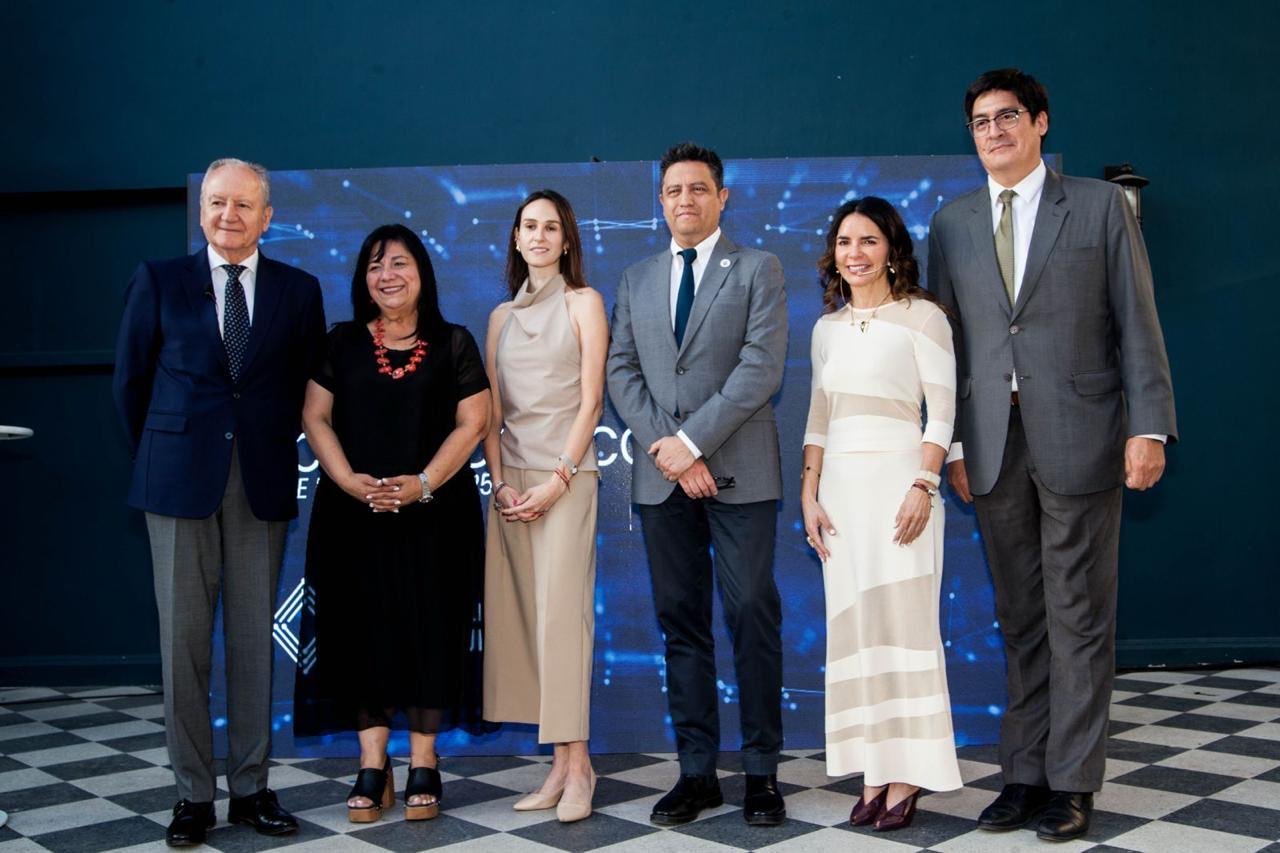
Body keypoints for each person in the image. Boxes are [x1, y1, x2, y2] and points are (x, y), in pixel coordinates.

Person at [929, 68, 1177, 842]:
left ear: (1040, 122)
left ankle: (1071, 782)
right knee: (1020, 619)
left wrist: (1149, 426)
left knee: (1079, 616)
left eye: (1007, 116)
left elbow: (1137, 321)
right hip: (990, 447)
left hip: (1084, 437)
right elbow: (945, 348)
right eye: (980, 122)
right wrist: (954, 442)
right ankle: (1023, 775)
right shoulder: (952, 223)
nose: (993, 131)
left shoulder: (1100, 208)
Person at [112, 158, 325, 847]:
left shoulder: (299, 290)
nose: (227, 215)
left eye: (243, 204)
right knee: (182, 646)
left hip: (260, 482)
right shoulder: (158, 280)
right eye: (216, 202)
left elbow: (307, 387)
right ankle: (192, 795)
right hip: (176, 484)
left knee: (252, 645)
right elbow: (129, 384)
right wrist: (164, 454)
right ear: (200, 209)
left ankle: (251, 788)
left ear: (268, 216)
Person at [607, 142, 789, 827]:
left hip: (742, 473)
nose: (686, 199)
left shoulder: (758, 268)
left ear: (722, 197)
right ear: (661, 201)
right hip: (663, 481)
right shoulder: (636, 278)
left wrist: (691, 444)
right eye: (674, 190)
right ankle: (696, 772)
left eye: (699, 188)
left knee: (751, 614)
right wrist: (673, 452)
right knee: (681, 622)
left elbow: (760, 368)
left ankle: (762, 773)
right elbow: (621, 371)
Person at [293, 224, 490, 824]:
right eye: (376, 265)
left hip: (436, 516)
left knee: (431, 631)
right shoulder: (342, 341)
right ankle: (372, 765)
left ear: (422, 272)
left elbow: (474, 422)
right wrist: (347, 479)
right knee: (361, 634)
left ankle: (424, 762)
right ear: (364, 279)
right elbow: (315, 415)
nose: (387, 275)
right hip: (354, 517)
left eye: (399, 263)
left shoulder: (454, 341)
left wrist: (424, 483)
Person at [801, 197, 961, 833]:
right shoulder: (827, 329)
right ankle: (872, 768)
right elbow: (818, 416)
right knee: (858, 630)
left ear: (892, 249)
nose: (856, 254)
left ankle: (908, 773)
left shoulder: (925, 318)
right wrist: (809, 494)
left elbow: (942, 411)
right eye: (845, 242)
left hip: (902, 488)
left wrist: (924, 484)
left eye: (869, 241)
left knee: (905, 626)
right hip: (840, 495)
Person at [481, 190, 608, 823]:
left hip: (567, 478)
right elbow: (491, 413)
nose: (538, 236)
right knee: (528, 625)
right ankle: (558, 766)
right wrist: (501, 482)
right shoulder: (500, 317)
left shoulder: (585, 303)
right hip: (513, 488)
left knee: (563, 622)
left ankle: (580, 767)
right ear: (516, 237)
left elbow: (592, 400)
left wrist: (557, 479)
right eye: (529, 226)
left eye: (550, 227)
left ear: (566, 240)